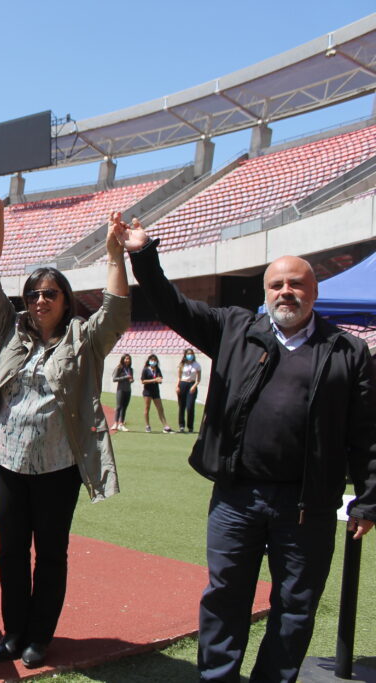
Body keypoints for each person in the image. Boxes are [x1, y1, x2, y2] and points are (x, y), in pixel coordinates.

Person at [116, 215, 376, 683]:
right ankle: (218, 678)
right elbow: (172, 306)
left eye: (296, 284)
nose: (285, 292)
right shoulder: (234, 329)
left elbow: (366, 432)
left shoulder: (346, 351)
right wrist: (143, 254)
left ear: (313, 292)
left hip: (308, 506)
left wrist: (370, 498)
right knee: (226, 598)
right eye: (276, 285)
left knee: (295, 606)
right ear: (265, 293)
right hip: (237, 499)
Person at [0, 210, 131, 668]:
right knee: (10, 551)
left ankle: (39, 637)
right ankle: (14, 631)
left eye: (50, 294)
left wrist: (115, 256)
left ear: (66, 301)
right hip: (8, 462)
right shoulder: (10, 330)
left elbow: (117, 311)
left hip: (59, 467)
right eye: (33, 294)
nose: (40, 300)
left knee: (50, 553)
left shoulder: (84, 340)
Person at [141, 353, 173, 433]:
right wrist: (154, 380)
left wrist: (159, 380)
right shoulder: (145, 369)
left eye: (155, 360)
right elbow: (143, 381)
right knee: (147, 408)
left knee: (160, 408)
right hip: (147, 391)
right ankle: (147, 425)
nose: (153, 362)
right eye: (152, 360)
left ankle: (165, 425)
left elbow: (160, 378)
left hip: (155, 391)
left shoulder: (157, 369)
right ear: (149, 361)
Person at [176, 347, 201, 433]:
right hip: (183, 384)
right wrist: (177, 386)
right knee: (181, 406)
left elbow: (198, 379)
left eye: (191, 354)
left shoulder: (196, 365)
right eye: (188, 354)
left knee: (190, 406)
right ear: (185, 355)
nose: (190, 355)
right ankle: (181, 425)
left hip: (192, 384)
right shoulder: (182, 364)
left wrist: (194, 386)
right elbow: (179, 377)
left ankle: (190, 426)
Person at [111, 353, 134, 431]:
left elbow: (131, 379)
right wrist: (125, 377)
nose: (127, 360)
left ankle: (121, 424)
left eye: (128, 359)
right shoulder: (119, 368)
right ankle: (115, 423)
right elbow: (114, 379)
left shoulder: (130, 369)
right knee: (118, 406)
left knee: (124, 407)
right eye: (126, 358)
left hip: (128, 390)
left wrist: (131, 380)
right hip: (120, 389)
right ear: (123, 359)